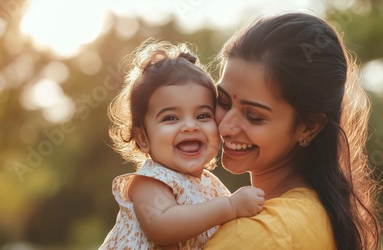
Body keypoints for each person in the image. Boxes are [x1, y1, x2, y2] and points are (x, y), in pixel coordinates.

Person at [204, 12, 383, 249]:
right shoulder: (320, 214)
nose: (226, 126)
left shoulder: (258, 235)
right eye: (223, 102)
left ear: (308, 127)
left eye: (254, 116)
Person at [99, 39, 265, 249]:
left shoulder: (210, 185)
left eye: (203, 115)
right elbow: (161, 226)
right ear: (143, 138)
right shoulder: (151, 182)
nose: (189, 126)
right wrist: (230, 206)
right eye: (171, 118)